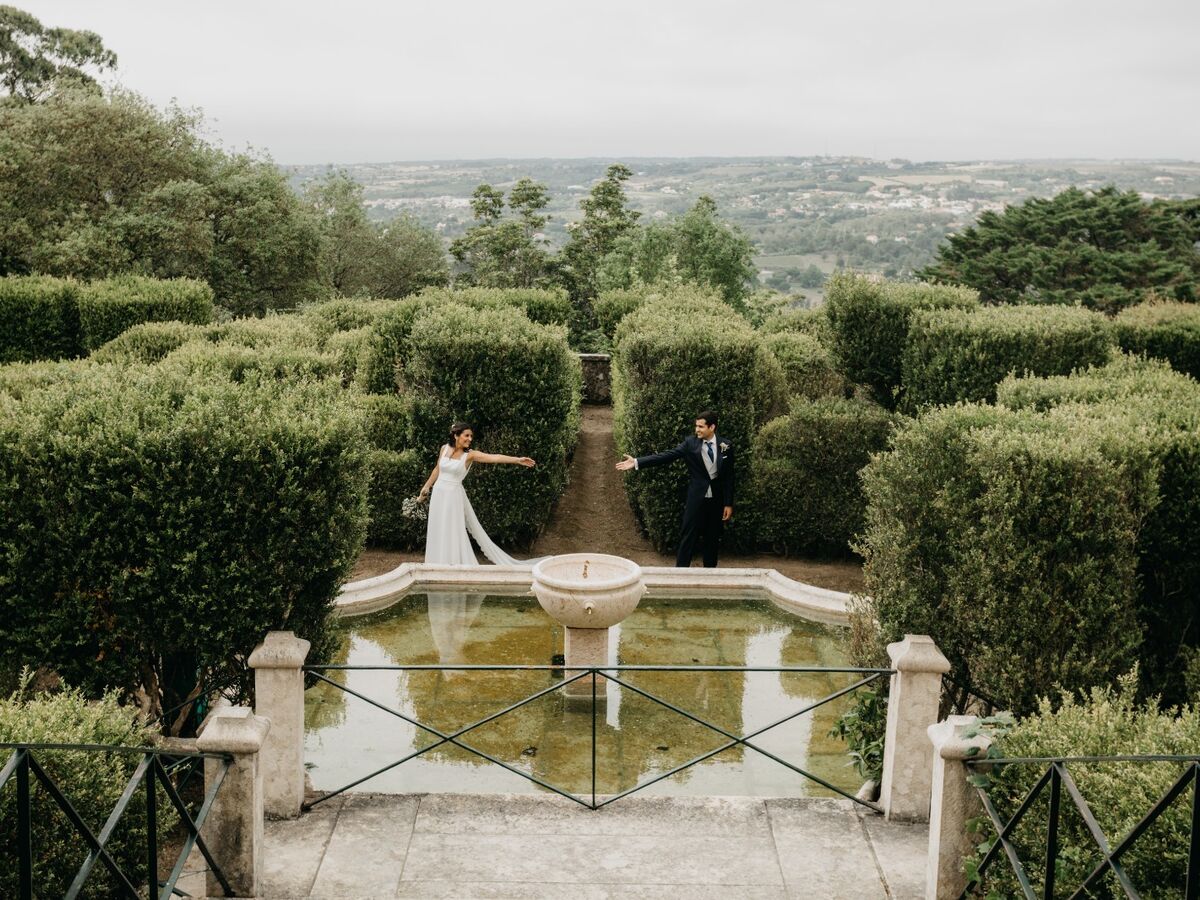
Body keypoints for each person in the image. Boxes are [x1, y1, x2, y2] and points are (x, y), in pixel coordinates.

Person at [616, 410, 734, 568]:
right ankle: (680, 573)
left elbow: (729, 477)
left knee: (712, 539)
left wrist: (728, 503)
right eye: (696, 426)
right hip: (696, 500)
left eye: (700, 426)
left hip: (716, 502)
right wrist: (637, 462)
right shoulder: (690, 444)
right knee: (688, 538)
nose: (696, 430)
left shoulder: (726, 446)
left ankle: (709, 576)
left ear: (712, 427)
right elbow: (666, 456)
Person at [418, 422, 539, 566]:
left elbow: (495, 457)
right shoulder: (444, 448)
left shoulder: (470, 455)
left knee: (451, 529)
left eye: (471, 436)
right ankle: (435, 564)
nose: (470, 439)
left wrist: (517, 460)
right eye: (466, 435)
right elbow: (437, 469)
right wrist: (425, 488)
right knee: (438, 527)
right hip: (438, 494)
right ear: (456, 435)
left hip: (453, 496)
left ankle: (452, 564)